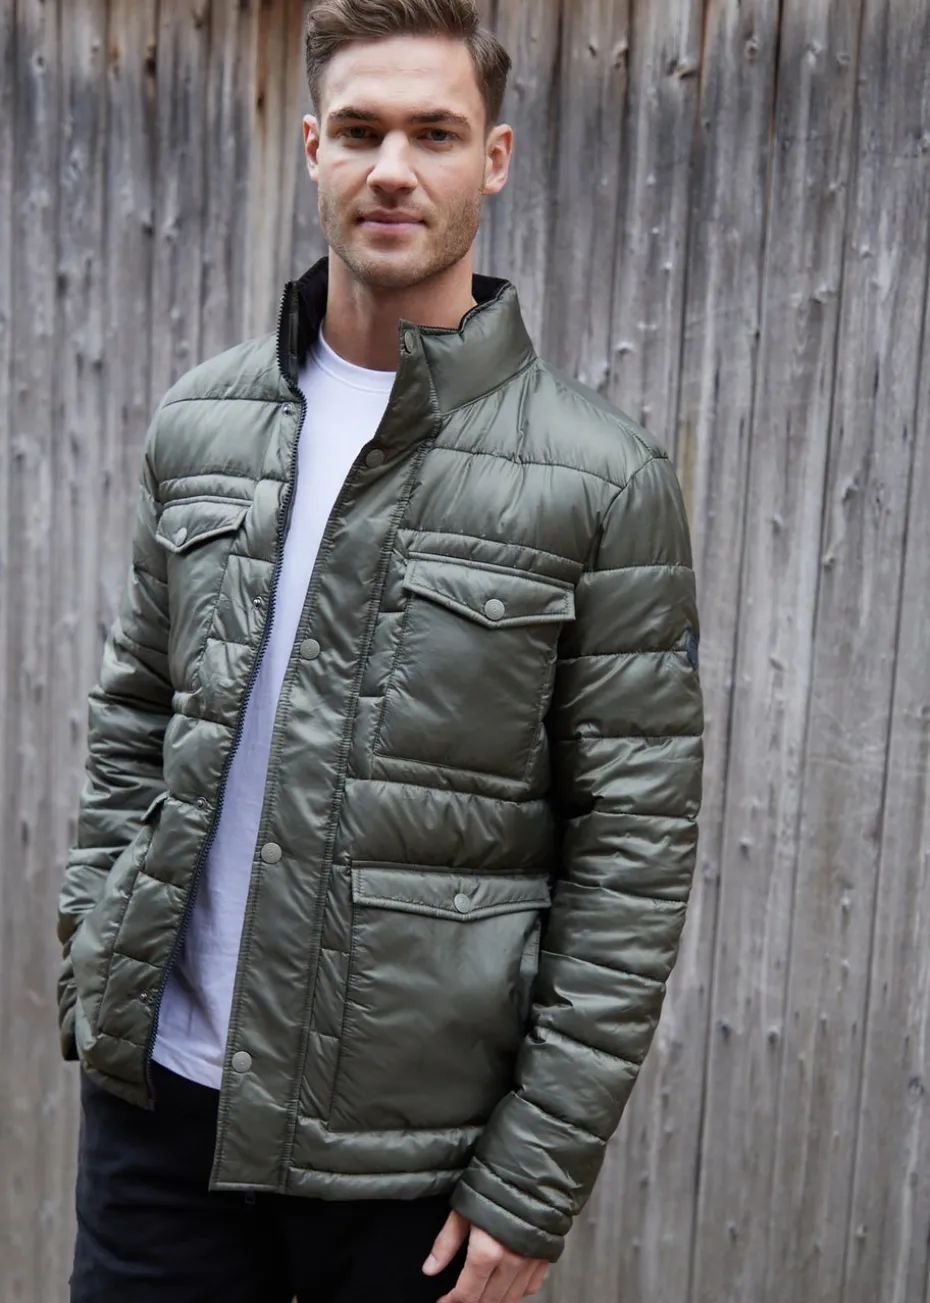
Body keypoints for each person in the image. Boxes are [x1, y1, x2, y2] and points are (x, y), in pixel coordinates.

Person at [57, 1, 704, 1300]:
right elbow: (135, 715)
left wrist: (533, 1174)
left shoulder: (600, 479)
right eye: (358, 131)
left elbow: (632, 854)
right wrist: (94, 949)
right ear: (313, 147)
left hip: (414, 1168)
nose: (392, 168)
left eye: (434, 133)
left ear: (494, 158)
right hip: (162, 1118)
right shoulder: (202, 422)